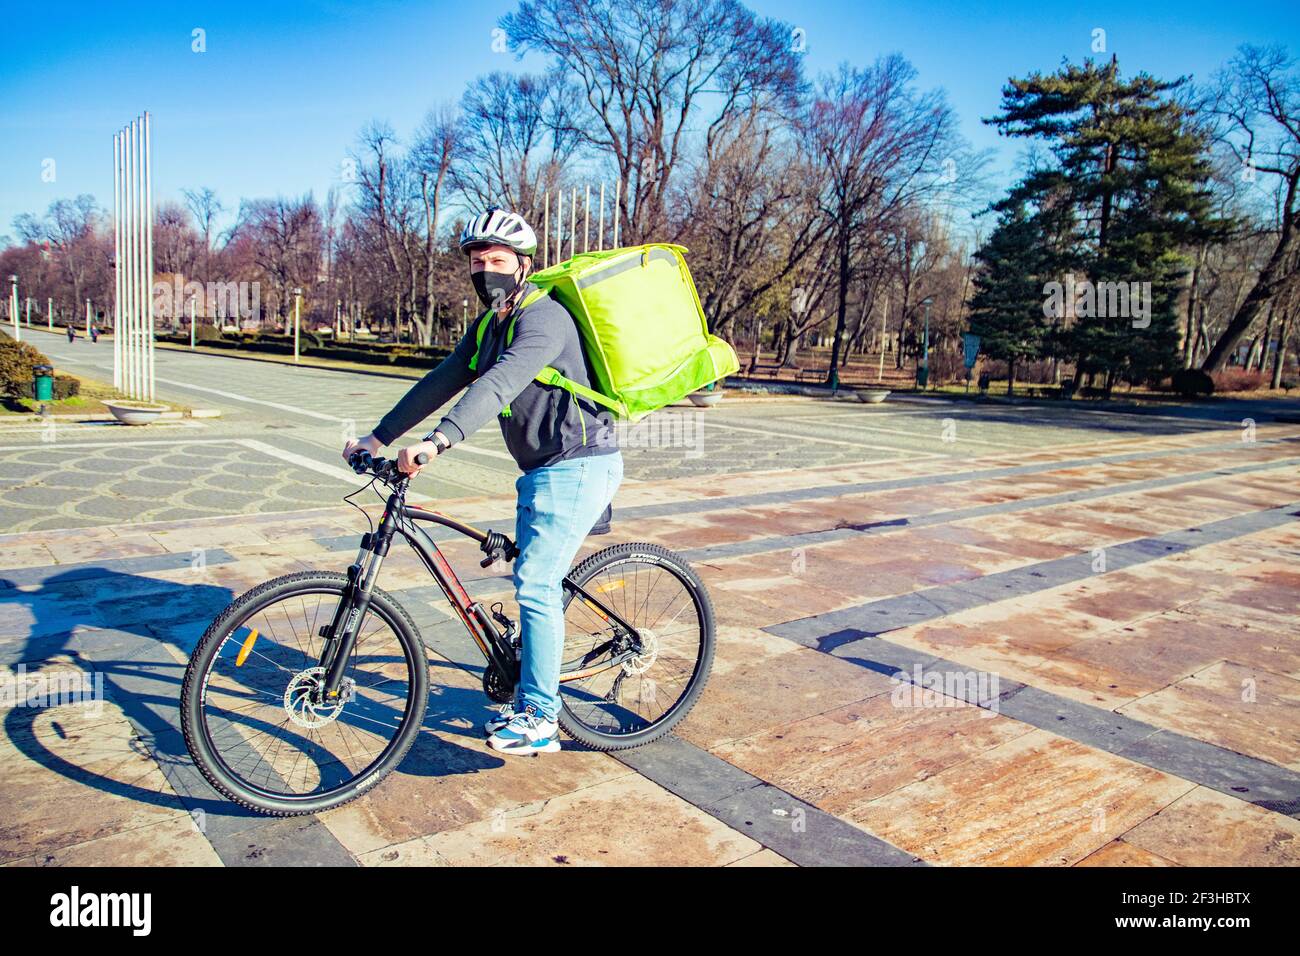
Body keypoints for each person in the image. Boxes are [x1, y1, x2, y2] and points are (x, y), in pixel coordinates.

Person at [342, 207, 623, 756]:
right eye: (477, 260)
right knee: (530, 574)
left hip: (580, 460)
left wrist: (438, 441)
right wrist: (378, 438)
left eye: (497, 260)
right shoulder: (490, 323)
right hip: (539, 467)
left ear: (523, 265)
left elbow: (499, 384)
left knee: (537, 582)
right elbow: (446, 378)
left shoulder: (545, 319)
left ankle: (542, 717)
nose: (485, 269)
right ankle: (525, 673)